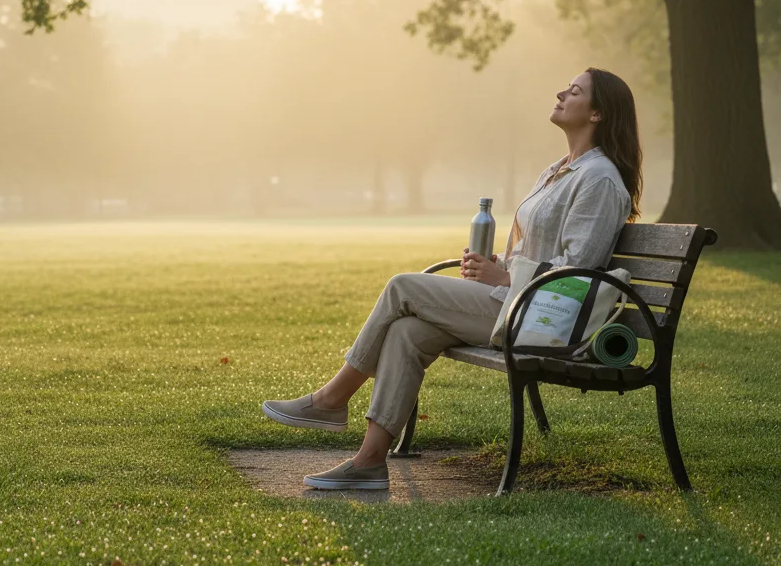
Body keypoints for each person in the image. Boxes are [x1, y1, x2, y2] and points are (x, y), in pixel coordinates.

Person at [261, 68, 643, 490]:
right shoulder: (559, 170)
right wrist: (494, 264)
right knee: (407, 331)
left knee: (402, 286)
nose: (560, 93)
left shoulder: (600, 180)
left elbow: (579, 270)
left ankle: (332, 399)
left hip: (543, 320)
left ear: (597, 114)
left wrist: (504, 275)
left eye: (574, 91)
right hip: (513, 300)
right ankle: (369, 462)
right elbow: (536, 252)